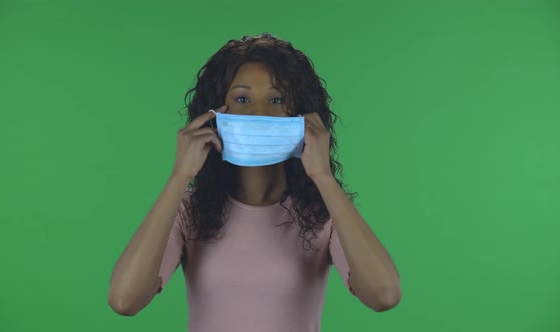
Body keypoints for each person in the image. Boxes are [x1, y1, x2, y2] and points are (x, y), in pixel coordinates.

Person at [108, 32, 401, 331]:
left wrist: (323, 177)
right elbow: (125, 300)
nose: (259, 113)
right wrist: (179, 177)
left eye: (276, 99)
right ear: (215, 112)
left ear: (301, 114)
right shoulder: (189, 211)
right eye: (242, 99)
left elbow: (384, 295)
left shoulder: (322, 213)